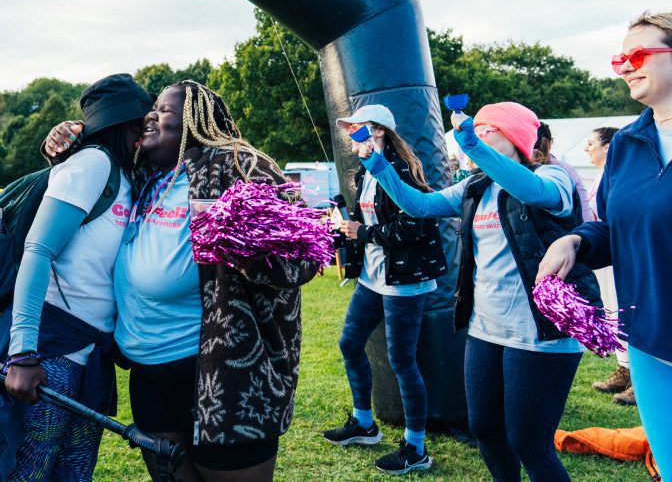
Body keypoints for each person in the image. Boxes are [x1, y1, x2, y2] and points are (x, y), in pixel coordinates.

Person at [46, 81, 320, 482]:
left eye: (165, 111)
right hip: (146, 373)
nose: (151, 116)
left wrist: (240, 236)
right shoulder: (139, 174)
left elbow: (303, 257)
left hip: (221, 377)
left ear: (194, 124)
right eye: (151, 110)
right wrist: (63, 142)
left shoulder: (238, 165)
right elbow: (81, 178)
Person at [358, 100, 599, 482]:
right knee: (485, 430)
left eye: (489, 129)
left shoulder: (553, 178)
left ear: (515, 137)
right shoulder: (474, 187)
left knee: (529, 442)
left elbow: (532, 191)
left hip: (540, 334)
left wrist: (473, 146)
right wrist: (379, 167)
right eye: (476, 129)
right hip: (485, 330)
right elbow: (419, 205)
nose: (477, 135)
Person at [0, 73, 153, 482]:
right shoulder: (91, 164)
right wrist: (22, 353)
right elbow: (38, 252)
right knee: (27, 473)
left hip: (88, 354)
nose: (143, 136)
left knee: (74, 472)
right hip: (48, 350)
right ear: (118, 126)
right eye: (137, 125)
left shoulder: (125, 175)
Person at [538, 11, 672, 477]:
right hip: (651, 341)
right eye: (619, 59)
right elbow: (614, 229)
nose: (624, 66)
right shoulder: (626, 145)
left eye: (637, 54)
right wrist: (575, 240)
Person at [321, 105, 447, 475]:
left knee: (402, 362)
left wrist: (365, 232)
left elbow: (415, 227)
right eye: (350, 131)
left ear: (377, 131)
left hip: (405, 281)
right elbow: (373, 220)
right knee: (349, 343)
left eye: (357, 130)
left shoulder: (403, 169)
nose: (351, 136)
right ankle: (364, 424)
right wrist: (349, 226)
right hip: (373, 278)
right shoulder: (366, 169)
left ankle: (416, 447)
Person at [579, 127, 635, 405]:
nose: (586, 149)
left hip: (619, 255)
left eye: (591, 143)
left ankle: (638, 376)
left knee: (627, 312)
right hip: (604, 253)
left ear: (608, 146)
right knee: (613, 312)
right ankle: (625, 369)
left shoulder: (623, 174)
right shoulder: (600, 176)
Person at [534, 123, 592, 222]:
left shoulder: (514, 168)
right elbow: (583, 208)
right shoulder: (565, 169)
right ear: (550, 142)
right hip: (564, 233)